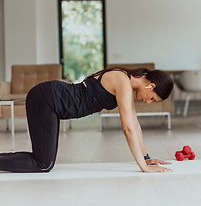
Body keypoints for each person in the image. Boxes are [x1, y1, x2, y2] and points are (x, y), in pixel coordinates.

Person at [0, 67, 174, 173]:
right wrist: (143, 167)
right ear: (151, 86)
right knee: (43, 164)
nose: (148, 101)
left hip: (51, 100)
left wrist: (146, 157)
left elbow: (134, 124)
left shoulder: (126, 83)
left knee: (44, 163)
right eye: (152, 98)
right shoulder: (123, 82)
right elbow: (128, 129)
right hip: (47, 98)